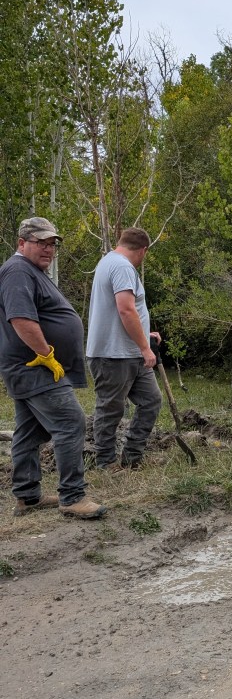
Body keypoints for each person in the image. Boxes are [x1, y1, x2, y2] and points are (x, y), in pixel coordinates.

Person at [0, 217, 108, 520]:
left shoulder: (30, 271)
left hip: (30, 368)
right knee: (71, 422)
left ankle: (28, 496)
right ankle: (72, 497)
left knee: (29, 431)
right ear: (22, 243)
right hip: (35, 367)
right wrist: (46, 354)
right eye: (41, 242)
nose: (48, 249)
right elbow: (21, 318)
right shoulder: (18, 271)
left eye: (52, 244)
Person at [86, 227, 162, 470]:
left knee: (151, 400)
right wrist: (145, 348)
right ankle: (106, 463)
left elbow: (122, 311)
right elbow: (126, 309)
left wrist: (144, 335)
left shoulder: (109, 262)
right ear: (143, 250)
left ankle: (132, 458)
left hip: (130, 352)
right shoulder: (122, 267)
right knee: (110, 410)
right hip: (113, 355)